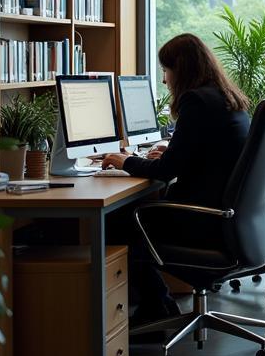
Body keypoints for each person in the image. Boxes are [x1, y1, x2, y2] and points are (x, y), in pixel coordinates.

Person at [101, 33, 252, 323]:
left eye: (166, 70)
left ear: (181, 70)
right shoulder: (225, 97)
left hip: (203, 220)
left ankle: (156, 308)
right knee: (132, 214)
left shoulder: (195, 101)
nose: (164, 80)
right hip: (229, 217)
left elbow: (166, 172)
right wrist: (167, 155)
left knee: (118, 221)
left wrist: (126, 161)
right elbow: (201, 154)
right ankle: (158, 305)